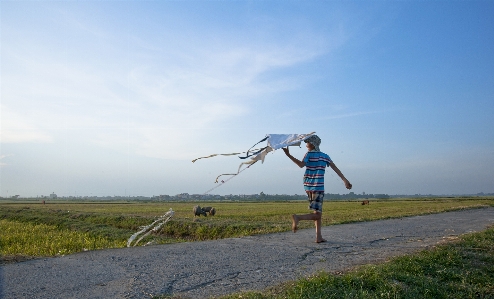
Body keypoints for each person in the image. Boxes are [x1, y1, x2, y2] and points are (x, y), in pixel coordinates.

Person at [282, 135, 352, 243]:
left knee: (318, 212)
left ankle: (318, 237)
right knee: (318, 214)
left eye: (308, 142)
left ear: (313, 144)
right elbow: (335, 168)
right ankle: (298, 218)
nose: (306, 144)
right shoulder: (324, 156)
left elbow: (301, 165)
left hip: (308, 185)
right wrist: (344, 180)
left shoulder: (309, 155)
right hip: (318, 186)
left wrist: (288, 155)